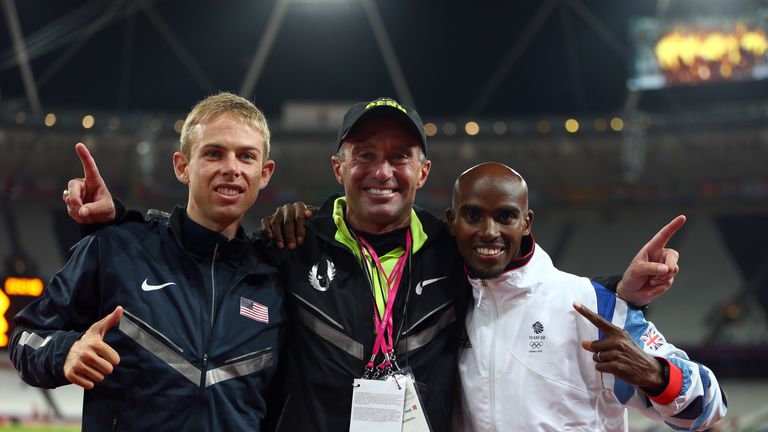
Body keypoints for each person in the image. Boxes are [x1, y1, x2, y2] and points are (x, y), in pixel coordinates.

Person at [62, 97, 681, 431]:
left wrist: (619, 294)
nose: (382, 169)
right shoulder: (290, 241)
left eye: (400, 155)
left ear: (423, 171)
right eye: (365, 153)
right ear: (339, 167)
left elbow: (522, 285)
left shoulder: (453, 248)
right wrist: (123, 222)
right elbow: (204, 251)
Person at [9, 92, 285, 431]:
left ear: (264, 173)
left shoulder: (274, 282)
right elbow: (25, 338)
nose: (231, 168)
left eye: (246, 156)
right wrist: (65, 351)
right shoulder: (116, 250)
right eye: (214, 153)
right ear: (182, 166)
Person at [448, 162, 727, 431]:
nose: (488, 231)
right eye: (473, 216)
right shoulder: (444, 307)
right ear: (452, 221)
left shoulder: (593, 306)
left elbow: (710, 406)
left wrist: (656, 374)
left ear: (526, 222)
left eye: (505, 216)